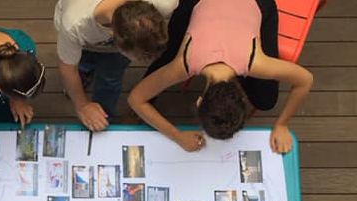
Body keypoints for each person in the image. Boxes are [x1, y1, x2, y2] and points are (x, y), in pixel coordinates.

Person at [128, 0, 313, 153]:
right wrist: (177, 136)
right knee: (167, 53)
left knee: (266, 100)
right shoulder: (184, 63)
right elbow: (136, 99)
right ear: (200, 101)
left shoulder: (256, 62)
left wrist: (282, 125)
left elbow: (306, 80)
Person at [54, 0, 177, 131]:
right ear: (111, 34)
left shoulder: (166, 3)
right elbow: (68, 67)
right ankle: (84, 74)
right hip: (82, 40)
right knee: (81, 64)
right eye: (138, 58)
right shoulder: (74, 24)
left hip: (114, 48)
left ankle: (104, 116)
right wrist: (82, 105)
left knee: (110, 79)